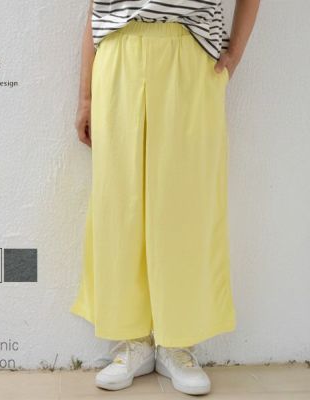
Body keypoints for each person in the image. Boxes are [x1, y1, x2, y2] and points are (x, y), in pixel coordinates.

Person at [71, 0, 260, 395]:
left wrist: (236, 52)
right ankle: (133, 341)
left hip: (190, 52)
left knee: (185, 205)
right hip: (118, 52)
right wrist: (85, 97)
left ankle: (178, 342)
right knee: (118, 204)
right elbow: (95, 7)